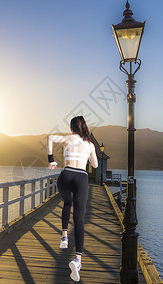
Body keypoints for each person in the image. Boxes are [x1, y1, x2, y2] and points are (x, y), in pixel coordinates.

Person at [47, 116, 98, 282]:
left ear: (71, 128)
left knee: (67, 202)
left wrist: (51, 159)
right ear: (84, 127)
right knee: (79, 219)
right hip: (81, 178)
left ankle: (64, 236)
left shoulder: (67, 138)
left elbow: (49, 137)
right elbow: (96, 165)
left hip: (66, 176)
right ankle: (77, 260)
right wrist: (90, 155)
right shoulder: (90, 144)